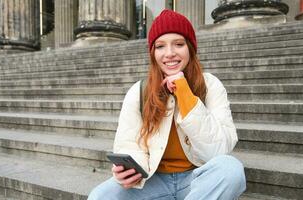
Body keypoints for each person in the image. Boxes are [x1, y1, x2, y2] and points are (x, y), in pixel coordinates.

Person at [89, 9, 246, 200]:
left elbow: (218, 151)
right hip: (154, 182)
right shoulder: (139, 91)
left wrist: (185, 93)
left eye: (178, 44)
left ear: (190, 48)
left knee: (231, 170)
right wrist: (130, 171)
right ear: (153, 53)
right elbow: (128, 144)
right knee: (100, 196)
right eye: (160, 46)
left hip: (196, 181)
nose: (169, 53)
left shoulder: (211, 85)